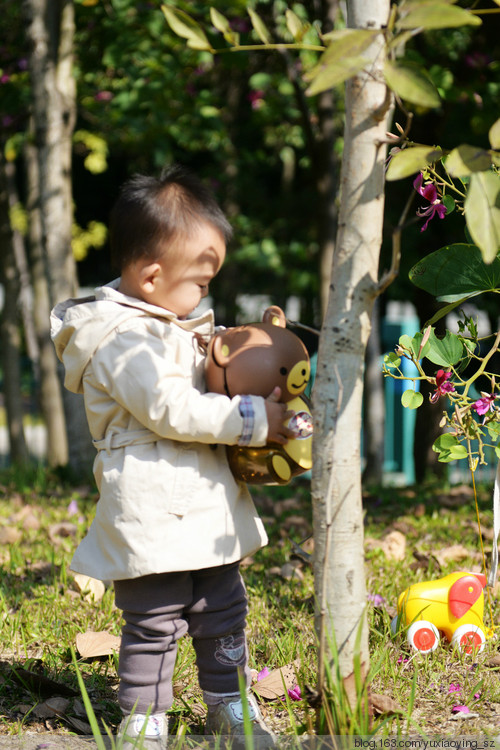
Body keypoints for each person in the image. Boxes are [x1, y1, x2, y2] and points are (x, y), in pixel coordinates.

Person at [51, 165, 294, 750]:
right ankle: (144, 718)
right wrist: (253, 420)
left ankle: (229, 703)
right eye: (202, 282)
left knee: (221, 604)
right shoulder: (121, 339)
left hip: (205, 499)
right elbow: (169, 407)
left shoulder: (167, 324)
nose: (205, 293)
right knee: (154, 617)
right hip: (153, 499)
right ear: (154, 275)